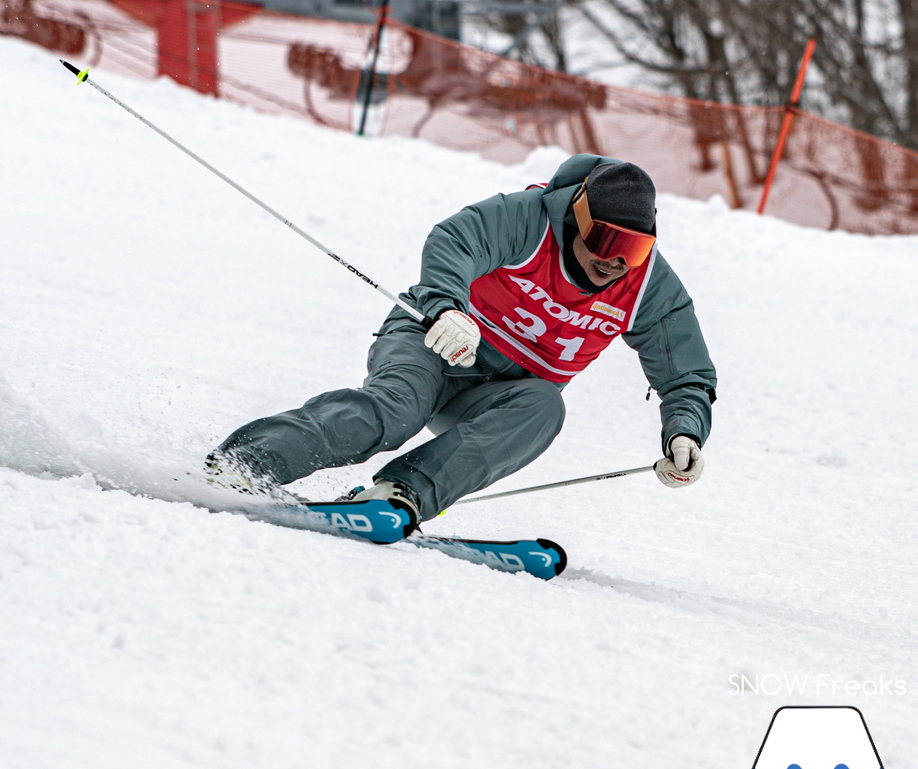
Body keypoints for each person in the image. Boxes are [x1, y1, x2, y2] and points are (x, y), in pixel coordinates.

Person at [206, 154, 716, 540]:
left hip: (499, 393)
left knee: (544, 407)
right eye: (605, 242)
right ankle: (248, 461)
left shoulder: (647, 285)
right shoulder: (530, 218)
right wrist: (448, 308)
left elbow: (685, 372)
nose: (615, 262)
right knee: (392, 413)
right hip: (436, 343)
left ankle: (399, 494)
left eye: (634, 248)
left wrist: (685, 432)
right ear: (576, 216)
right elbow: (456, 240)